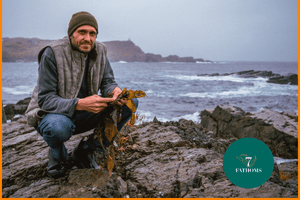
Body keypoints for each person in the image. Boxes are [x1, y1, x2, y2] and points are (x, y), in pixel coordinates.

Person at [25, 11, 138, 178]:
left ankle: (87, 150)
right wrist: (79, 104)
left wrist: (115, 91)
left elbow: (108, 81)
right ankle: (57, 151)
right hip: (52, 115)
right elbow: (45, 100)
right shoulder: (52, 53)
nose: (88, 38)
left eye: (92, 33)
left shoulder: (100, 50)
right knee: (59, 128)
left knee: (130, 102)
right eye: (82, 32)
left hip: (86, 112)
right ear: (71, 34)